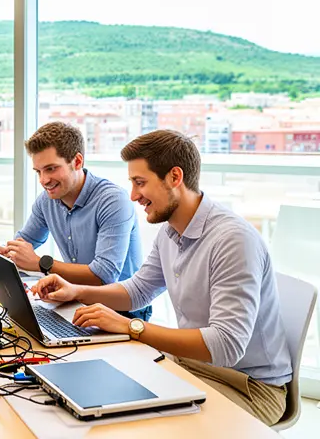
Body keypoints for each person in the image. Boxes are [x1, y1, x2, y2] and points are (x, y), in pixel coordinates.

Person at [31, 129, 291, 425]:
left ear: (174, 178)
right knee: (95, 398)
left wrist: (131, 326)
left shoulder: (232, 240)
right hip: (194, 366)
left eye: (140, 183)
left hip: (249, 387)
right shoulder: (171, 230)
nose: (133, 195)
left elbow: (226, 345)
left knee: (143, 424)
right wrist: (76, 291)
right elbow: (140, 290)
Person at [0, 121, 149, 320]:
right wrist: (1, 253)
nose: (43, 180)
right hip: (76, 300)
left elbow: (104, 276)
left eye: (51, 169)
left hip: (122, 310)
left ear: (77, 162)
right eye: (38, 171)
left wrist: (41, 264)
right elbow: (23, 243)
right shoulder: (47, 201)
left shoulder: (113, 200)